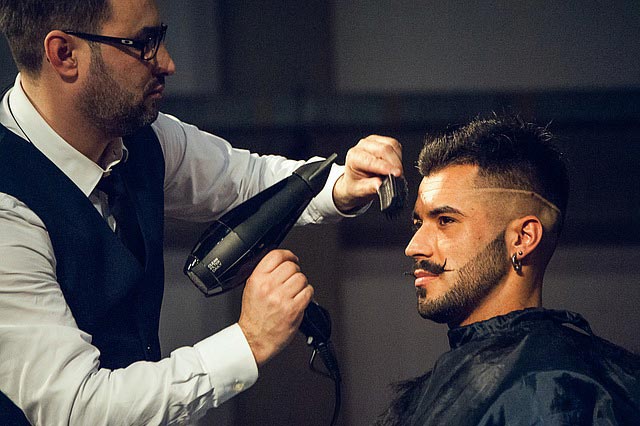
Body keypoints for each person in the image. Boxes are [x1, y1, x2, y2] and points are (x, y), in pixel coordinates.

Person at [0, 0, 403, 424]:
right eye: (143, 44)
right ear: (64, 54)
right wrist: (249, 341)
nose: (167, 63)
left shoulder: (140, 137)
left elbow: (246, 180)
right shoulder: (8, 209)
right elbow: (77, 407)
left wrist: (342, 184)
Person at [377, 116, 640, 425]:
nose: (413, 247)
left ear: (522, 238)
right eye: (419, 223)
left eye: (446, 220)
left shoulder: (552, 388)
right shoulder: (442, 389)